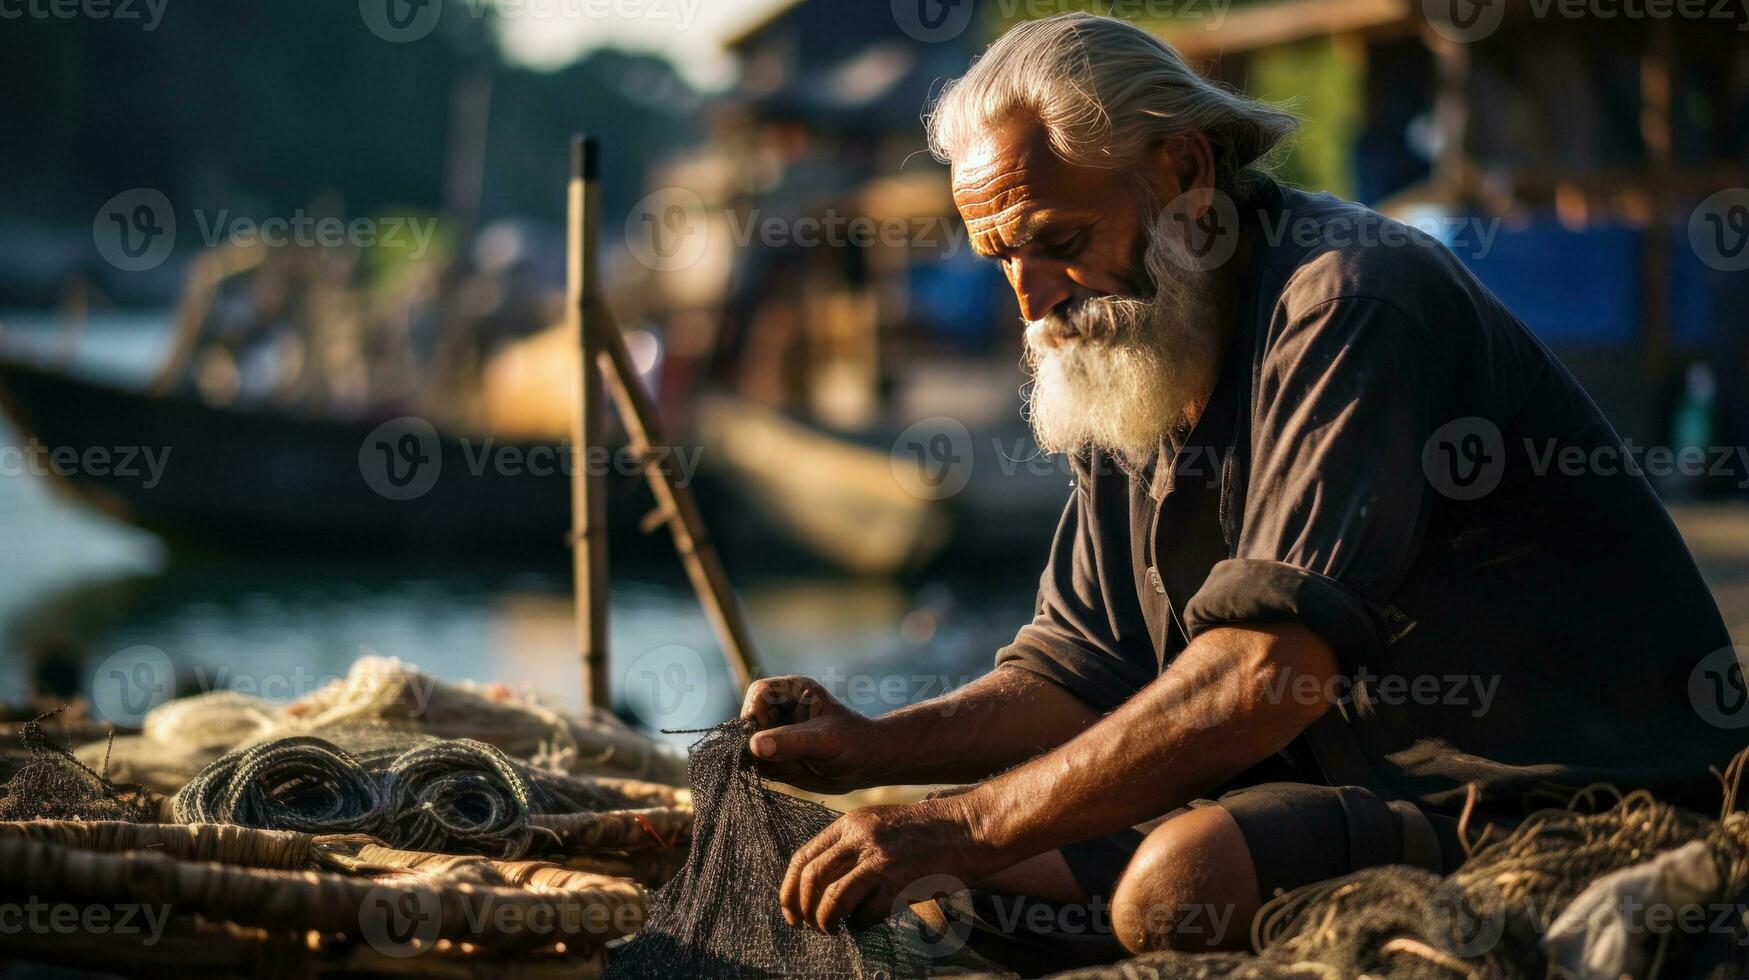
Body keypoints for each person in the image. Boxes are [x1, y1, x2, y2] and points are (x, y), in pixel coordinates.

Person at [740, 11, 1740, 964]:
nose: (1033, 301)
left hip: (1554, 799)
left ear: (1182, 173)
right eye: (1002, 257)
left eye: (1055, 240)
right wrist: (870, 750)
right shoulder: (1126, 347)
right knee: (946, 886)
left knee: (1179, 876)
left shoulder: (1350, 297)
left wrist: (959, 818)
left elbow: (1269, 673)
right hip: (1335, 789)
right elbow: (1079, 669)